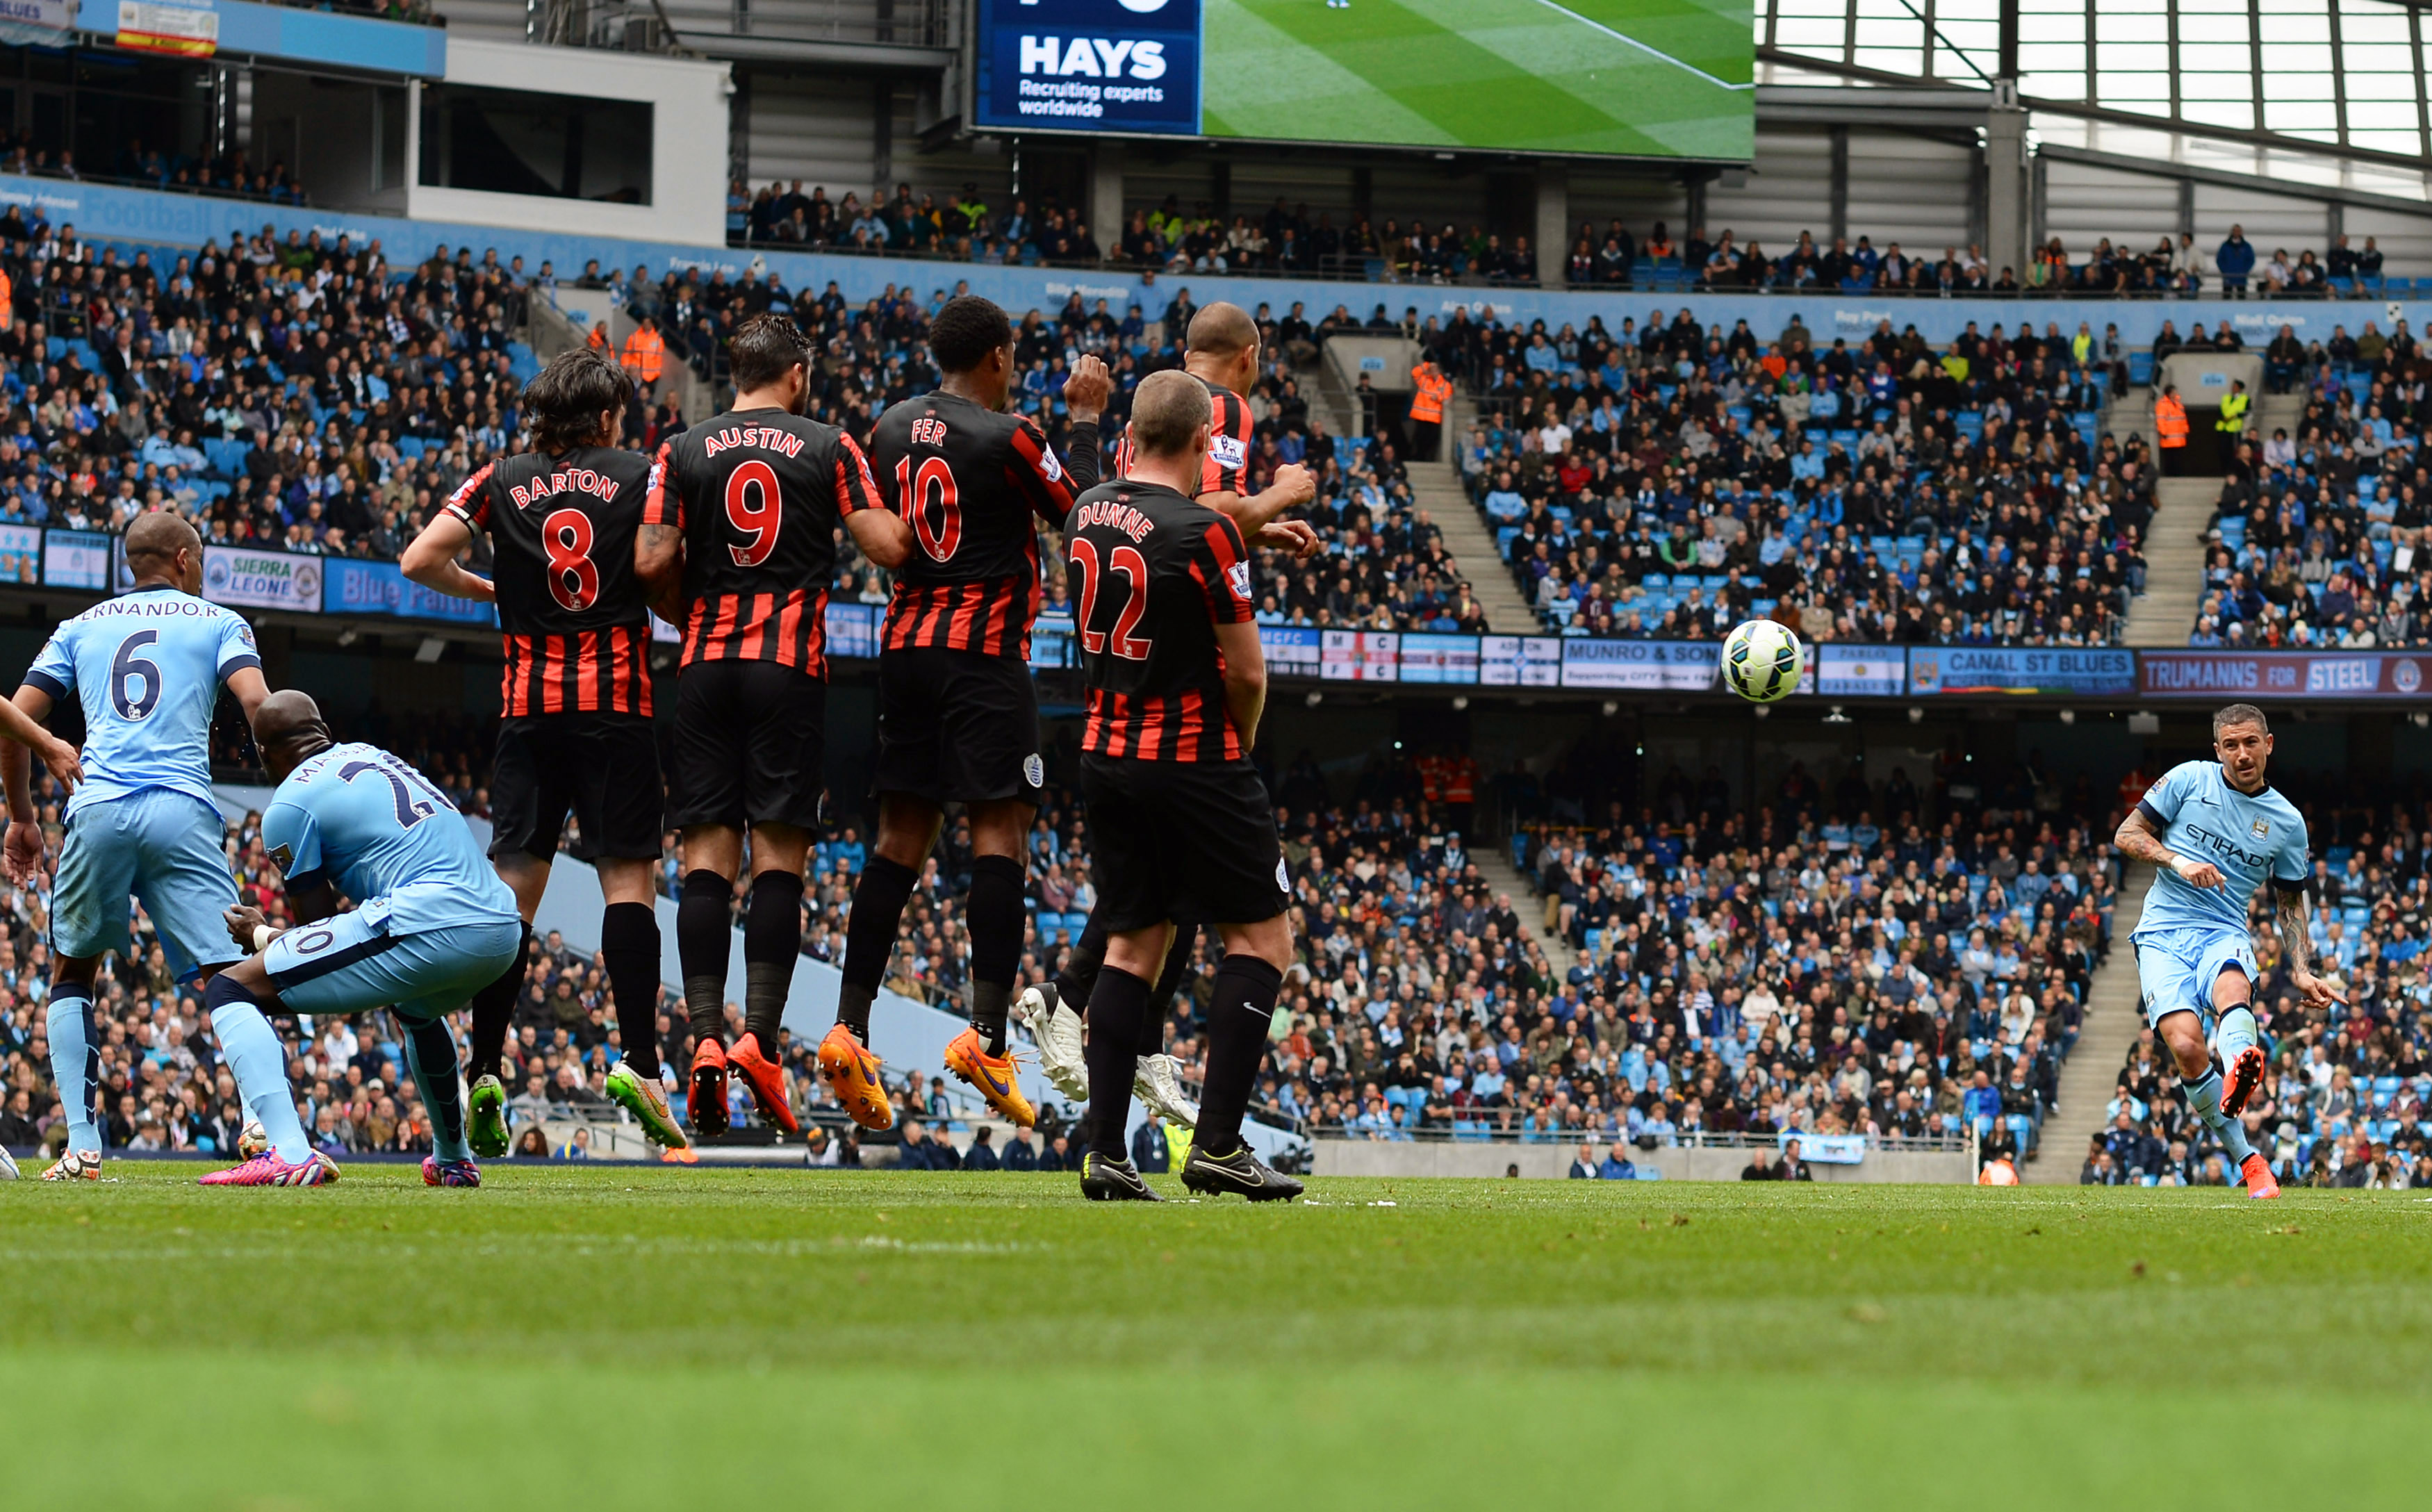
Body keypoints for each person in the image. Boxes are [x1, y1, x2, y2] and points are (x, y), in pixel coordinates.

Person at [1019, 301, 1319, 1132]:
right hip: (1186, 730)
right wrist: (1270, 497)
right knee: (1256, 938)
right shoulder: (1217, 408)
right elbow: (1206, 520)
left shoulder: (1098, 494)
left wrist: (1258, 525)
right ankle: (1203, 1123)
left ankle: (1103, 1124)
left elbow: (1163, 524)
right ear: (1249, 359)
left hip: (1105, 726)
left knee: (1139, 936)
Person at [400, 348, 684, 1158]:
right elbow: (663, 569)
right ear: (603, 416)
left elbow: (417, 560)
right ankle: (638, 1061)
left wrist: (489, 589)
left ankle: (485, 1067)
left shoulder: (498, 478)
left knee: (513, 894)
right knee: (627, 883)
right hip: (616, 707)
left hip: (528, 712)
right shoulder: (640, 471)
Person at [835, 297, 1108, 1131]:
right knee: (1000, 838)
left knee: (897, 843)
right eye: (1014, 354)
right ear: (996, 356)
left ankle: (849, 1026)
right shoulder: (1013, 434)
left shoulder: (887, 428)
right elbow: (1089, 518)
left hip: (906, 650)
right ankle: (987, 1036)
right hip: (984, 660)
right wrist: (1085, 421)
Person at [637, 314, 912, 1139]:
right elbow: (885, 543)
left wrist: (695, 616)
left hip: (704, 668)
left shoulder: (679, 450)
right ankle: (758, 1037)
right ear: (795, 375)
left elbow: (651, 561)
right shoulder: (828, 444)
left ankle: (705, 1041)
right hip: (788, 670)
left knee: (704, 862)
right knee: (778, 860)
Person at [1060, 370, 1302, 1202]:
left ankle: (1105, 1154)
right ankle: (1219, 1146)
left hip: (1104, 752)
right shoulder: (1204, 530)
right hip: (1192, 758)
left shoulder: (1085, 512)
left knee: (1133, 945)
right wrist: (1240, 748)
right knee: (1262, 942)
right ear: (1204, 442)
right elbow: (1245, 671)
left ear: (1131, 433)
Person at [1, 512, 256, 1183]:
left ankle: (82, 1148)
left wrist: (24, 817)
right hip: (183, 809)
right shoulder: (218, 621)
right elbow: (260, 709)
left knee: (72, 974)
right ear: (183, 559)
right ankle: (262, 1125)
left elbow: (16, 725)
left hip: (98, 805)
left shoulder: (79, 627)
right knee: (228, 972)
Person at [214, 692, 523, 1186]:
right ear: (322, 730)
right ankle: (452, 1158)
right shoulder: (375, 755)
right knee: (417, 1009)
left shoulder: (289, 803)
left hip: (431, 918)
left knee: (231, 989)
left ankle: (289, 1152)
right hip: (504, 928)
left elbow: (317, 932)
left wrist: (259, 933)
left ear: (265, 753)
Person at [2112, 702, 2336, 1200]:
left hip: (2223, 927)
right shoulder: (2189, 780)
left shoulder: (2287, 822)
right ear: (2217, 750)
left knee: (2233, 984)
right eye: (2230, 745)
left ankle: (2239, 1064)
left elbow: (2288, 899)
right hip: (2163, 932)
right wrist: (2177, 861)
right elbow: (2126, 834)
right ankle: (2250, 1162)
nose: (2242, 754)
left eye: (2250, 742)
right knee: (2189, 1049)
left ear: (2268, 744)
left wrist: (2300, 969)